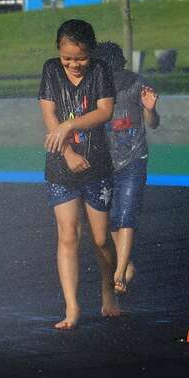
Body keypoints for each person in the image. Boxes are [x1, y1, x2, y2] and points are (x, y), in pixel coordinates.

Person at [38, 19, 120, 329]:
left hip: (96, 165)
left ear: (92, 52)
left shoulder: (99, 71)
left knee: (100, 239)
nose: (74, 64)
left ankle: (107, 289)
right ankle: (72, 307)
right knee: (68, 235)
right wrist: (68, 152)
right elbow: (49, 114)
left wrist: (70, 125)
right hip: (61, 166)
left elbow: (105, 111)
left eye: (80, 58)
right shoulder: (51, 70)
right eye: (68, 58)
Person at [94, 41, 160, 295]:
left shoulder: (136, 84)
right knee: (109, 217)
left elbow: (152, 124)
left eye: (116, 72)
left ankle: (120, 270)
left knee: (127, 213)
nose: (113, 78)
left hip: (134, 158)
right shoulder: (96, 87)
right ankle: (127, 264)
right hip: (104, 162)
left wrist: (150, 109)